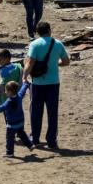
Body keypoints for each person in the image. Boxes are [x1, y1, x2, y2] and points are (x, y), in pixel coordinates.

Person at [23, 21, 69, 149]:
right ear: (49, 30)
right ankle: (51, 140)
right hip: (54, 83)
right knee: (52, 112)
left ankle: (35, 138)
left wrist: (24, 76)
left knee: (36, 112)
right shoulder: (58, 44)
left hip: (37, 83)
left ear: (37, 32)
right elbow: (66, 62)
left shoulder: (34, 44)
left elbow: (30, 62)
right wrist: (54, 64)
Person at [0, 80, 34, 158]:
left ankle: (9, 153)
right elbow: (22, 90)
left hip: (12, 124)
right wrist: (25, 85)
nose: (5, 92)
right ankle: (30, 145)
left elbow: (1, 108)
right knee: (22, 134)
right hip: (20, 122)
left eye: (6, 91)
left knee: (9, 138)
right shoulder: (19, 96)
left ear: (10, 92)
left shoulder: (9, 101)